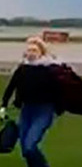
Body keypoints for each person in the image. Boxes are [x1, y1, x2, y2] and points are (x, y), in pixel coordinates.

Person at [1, 37, 59, 167]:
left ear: (41, 52)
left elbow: (59, 90)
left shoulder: (50, 69)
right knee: (24, 149)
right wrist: (4, 105)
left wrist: (58, 109)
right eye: (29, 50)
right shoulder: (22, 69)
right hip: (26, 110)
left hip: (44, 110)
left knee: (30, 146)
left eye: (34, 50)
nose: (31, 53)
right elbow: (11, 87)